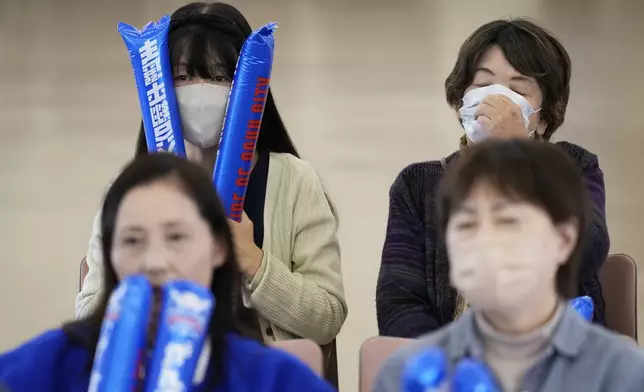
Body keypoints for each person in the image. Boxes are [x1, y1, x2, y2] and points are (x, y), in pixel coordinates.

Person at [76, 2, 347, 385]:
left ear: (250, 85)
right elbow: (88, 309)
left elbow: (327, 317)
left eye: (220, 76)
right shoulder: (130, 189)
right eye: (183, 76)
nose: (201, 91)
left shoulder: (294, 181)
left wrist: (255, 263)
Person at [0, 154, 334, 391]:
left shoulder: (272, 380)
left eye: (177, 237)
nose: (155, 263)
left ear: (219, 248)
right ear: (109, 254)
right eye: (133, 240)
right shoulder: (48, 367)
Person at [376, 18, 609, 338]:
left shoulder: (575, 167)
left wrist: (517, 158)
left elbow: (587, 251)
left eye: (516, 89)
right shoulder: (417, 184)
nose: (496, 101)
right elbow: (399, 303)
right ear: (461, 101)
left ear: (543, 117)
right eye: (483, 85)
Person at [373, 140, 644, 392]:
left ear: (563, 240)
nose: (483, 241)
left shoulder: (622, 374)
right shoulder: (407, 375)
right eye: (466, 225)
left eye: (508, 222)